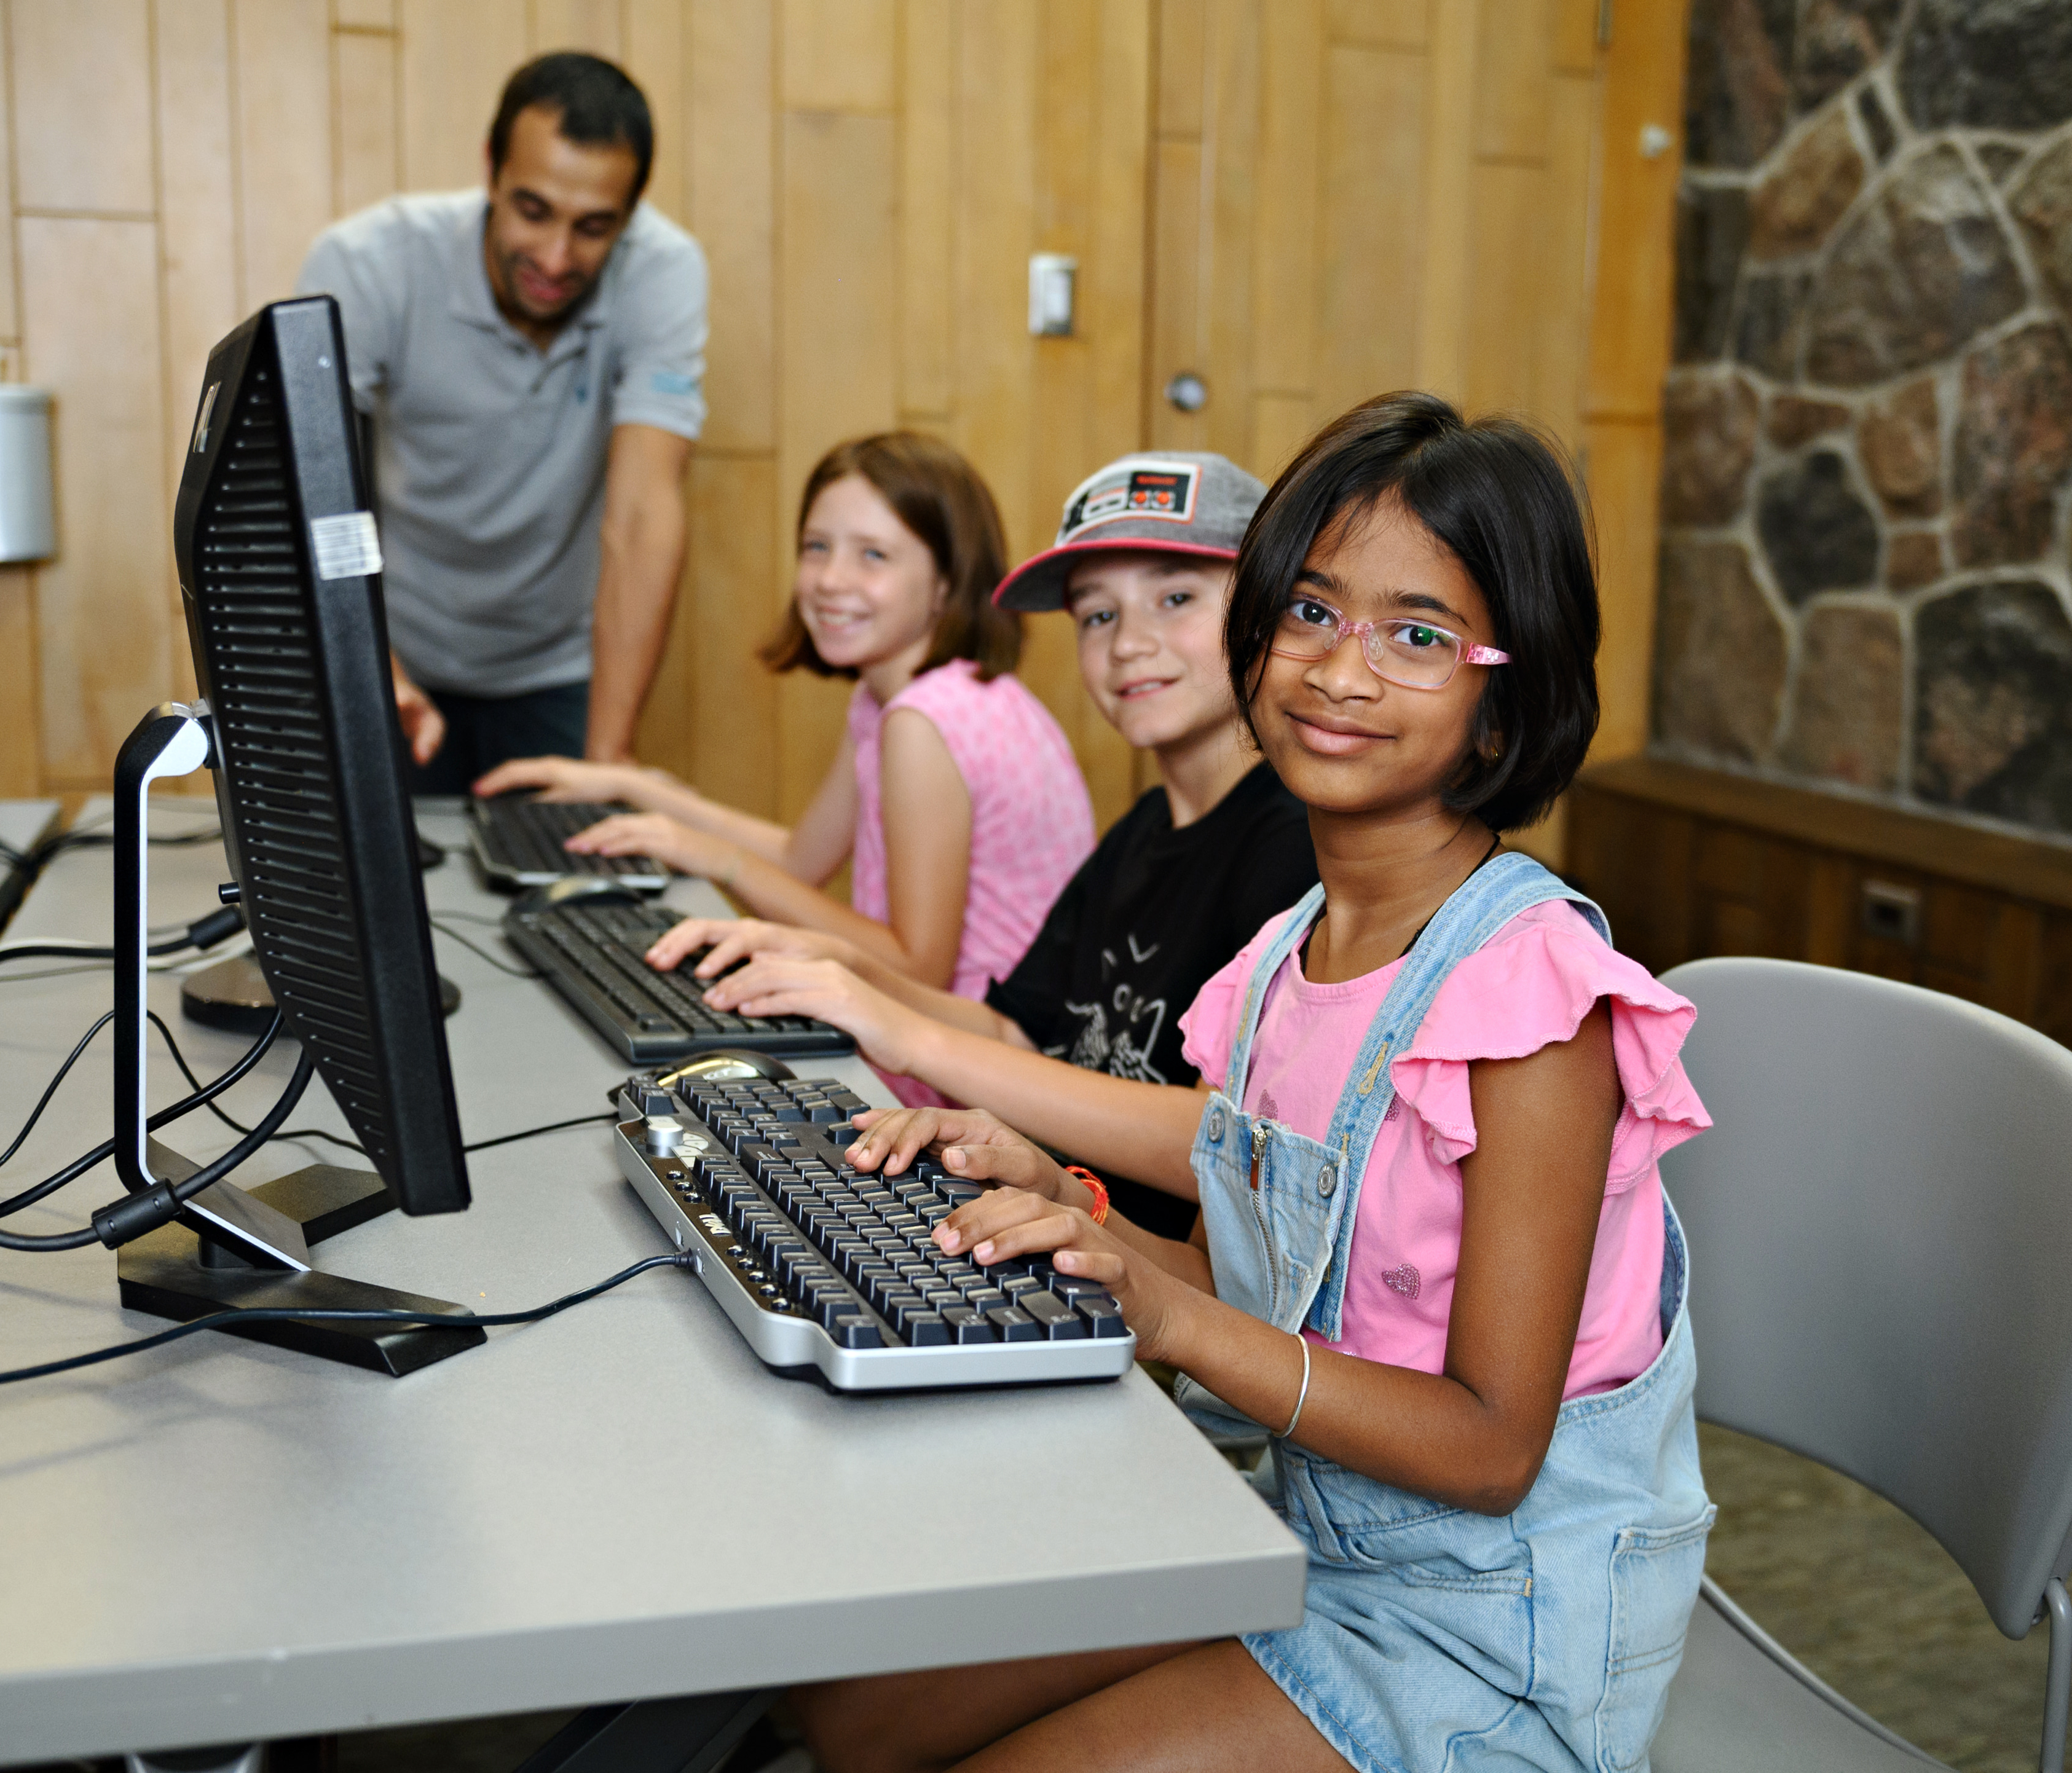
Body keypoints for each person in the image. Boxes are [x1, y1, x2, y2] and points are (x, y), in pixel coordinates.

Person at [790, 393, 1717, 1772]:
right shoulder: (1289, 957)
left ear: (1504, 696)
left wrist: (1154, 1303)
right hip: (1302, 1533)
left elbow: (1485, 1447)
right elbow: (1278, 1287)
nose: (1341, 670)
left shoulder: (1532, 1007)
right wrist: (1075, 1204)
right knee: (850, 1713)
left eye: (1418, 635)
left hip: (1489, 1638)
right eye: (1311, 613)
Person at [637, 452, 1317, 1235]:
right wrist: (840, 968)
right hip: (1030, 1195)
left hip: (1119, 1256)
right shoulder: (1144, 828)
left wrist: (911, 1033)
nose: (1130, 641)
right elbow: (1015, 1029)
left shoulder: (1296, 847)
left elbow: (1224, 1147)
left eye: (1174, 597)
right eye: (1098, 614)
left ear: (1271, 609)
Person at [477, 433, 1095, 1020]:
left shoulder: (926, 721)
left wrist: (719, 859)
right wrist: (640, 793)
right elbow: (802, 859)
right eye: (816, 546)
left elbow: (916, 967)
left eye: (873, 554)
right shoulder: (903, 699)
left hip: (968, 1065)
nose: (830, 579)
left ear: (946, 583)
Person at [296, 52, 703, 790]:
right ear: (491, 169)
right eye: (532, 210)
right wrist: (372, 669)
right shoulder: (370, 262)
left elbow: (644, 511)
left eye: (593, 228)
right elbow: (316, 496)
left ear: (632, 216)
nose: (554, 256)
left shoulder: (664, 273)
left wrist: (607, 760)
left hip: (556, 665)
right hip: (396, 649)